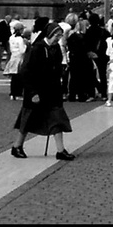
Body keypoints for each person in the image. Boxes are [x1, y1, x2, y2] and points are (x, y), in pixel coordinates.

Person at [11, 19, 75, 160]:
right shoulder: (37, 48)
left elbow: (57, 67)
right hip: (36, 90)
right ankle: (17, 146)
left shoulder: (56, 48)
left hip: (52, 90)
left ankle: (60, 150)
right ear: (49, 34)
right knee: (28, 120)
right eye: (57, 36)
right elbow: (26, 72)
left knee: (57, 118)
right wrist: (32, 92)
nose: (59, 39)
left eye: (60, 36)